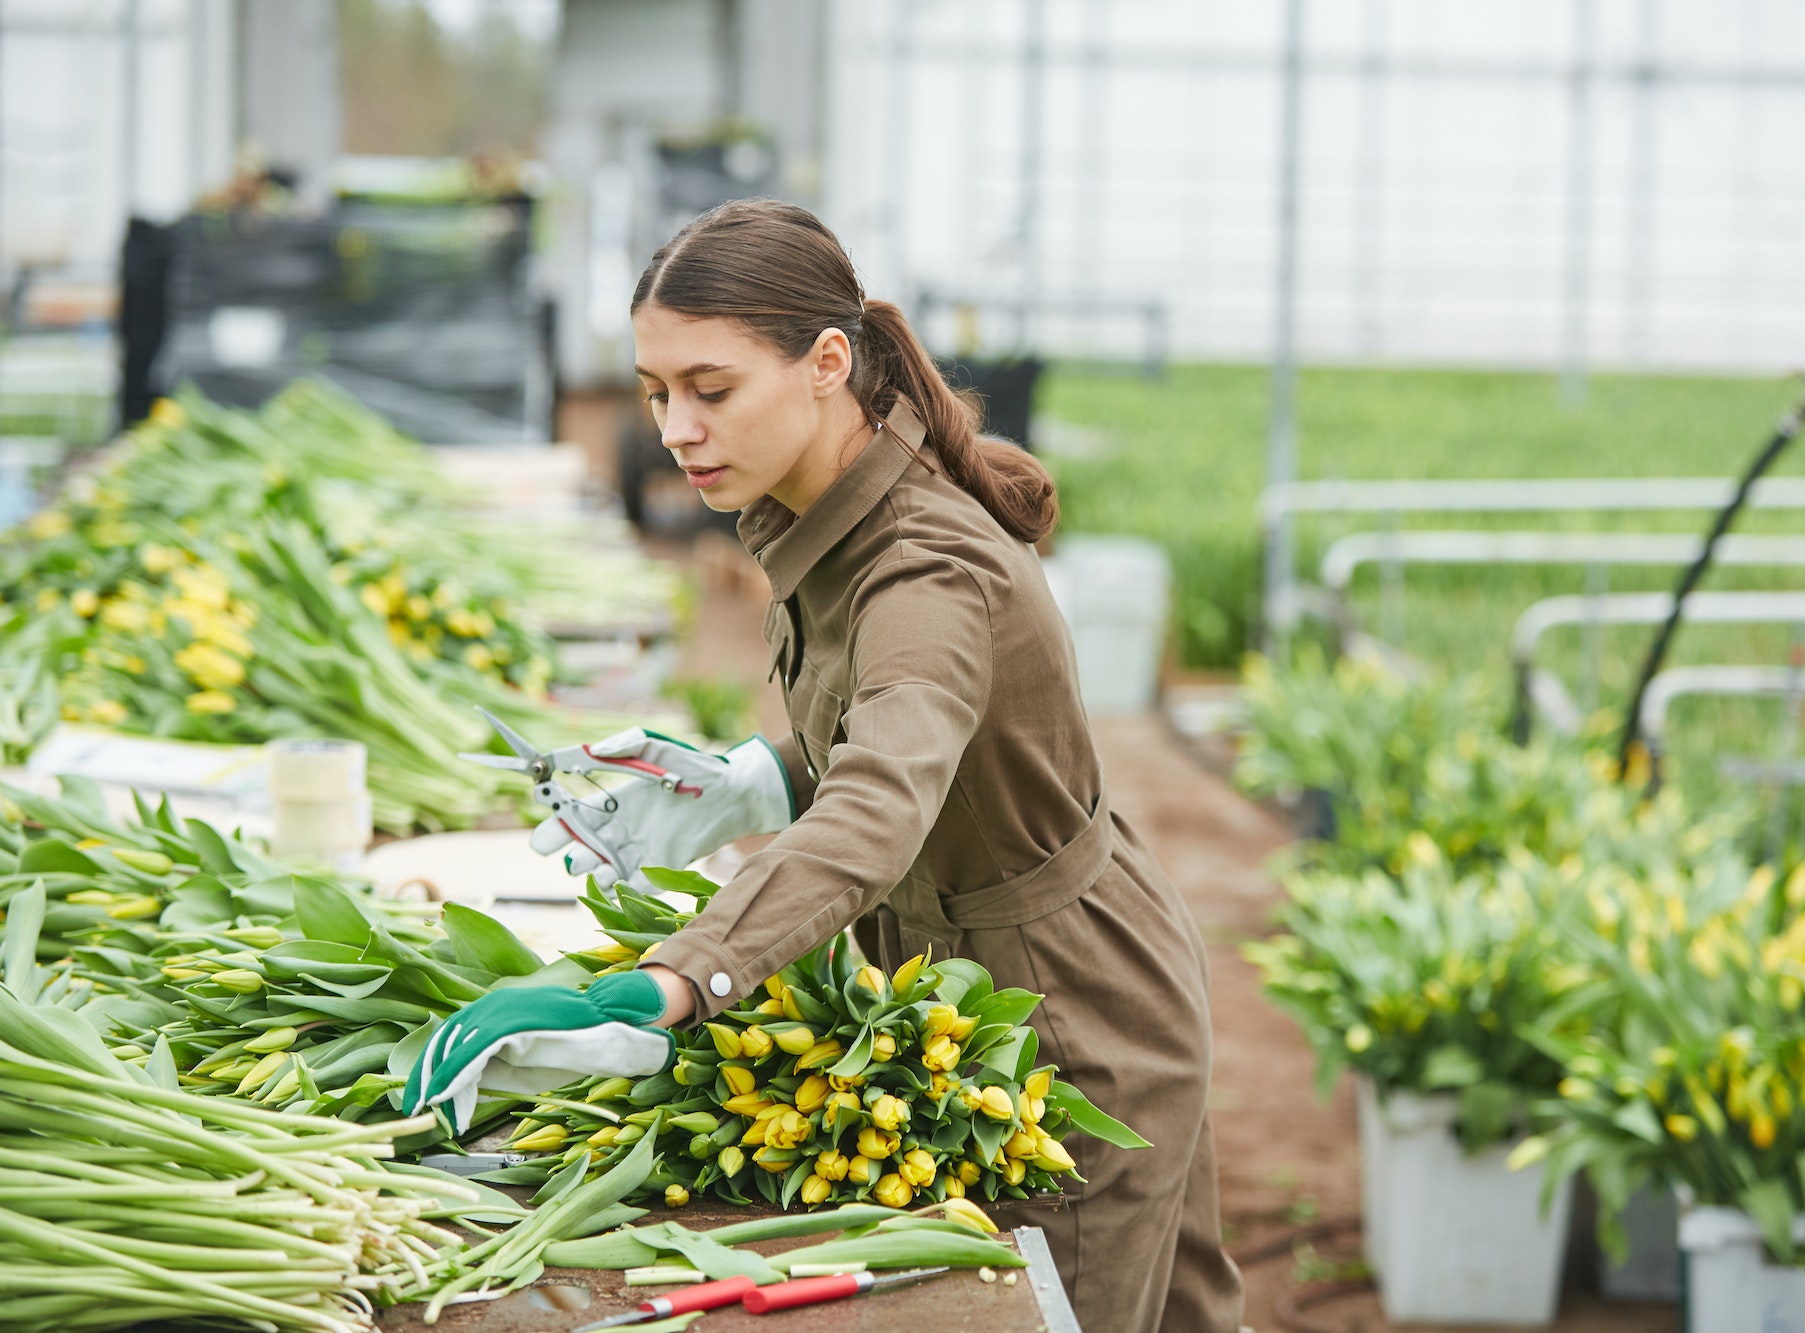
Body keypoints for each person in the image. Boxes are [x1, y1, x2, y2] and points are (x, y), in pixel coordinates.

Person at [405, 198, 1245, 1332]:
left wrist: (681, 976)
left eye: (710, 389)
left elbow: (883, 800)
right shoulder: (827, 511)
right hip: (999, 978)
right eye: (657, 393)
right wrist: (760, 776)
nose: (675, 428)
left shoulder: (921, 572)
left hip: (1068, 1023)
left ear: (826, 363)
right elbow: (893, 736)